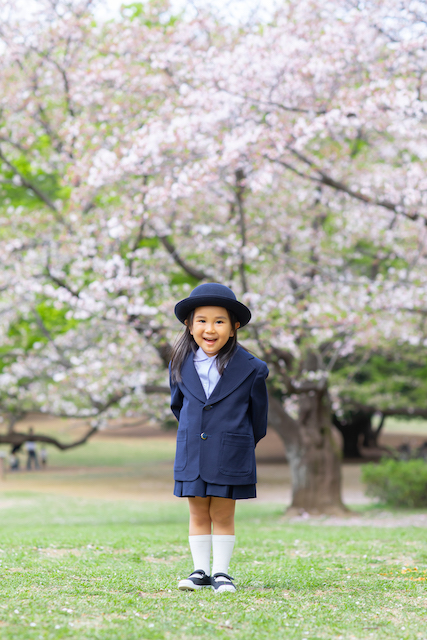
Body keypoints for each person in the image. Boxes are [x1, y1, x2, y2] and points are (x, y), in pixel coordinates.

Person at [169, 283, 269, 594]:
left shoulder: (253, 369)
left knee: (223, 512)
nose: (209, 329)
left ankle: (221, 573)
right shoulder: (179, 364)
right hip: (192, 451)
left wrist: (236, 442)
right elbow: (177, 406)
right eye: (201, 320)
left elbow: (259, 418)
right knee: (197, 511)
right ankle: (199, 571)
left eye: (219, 321)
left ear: (234, 326)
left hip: (232, 451)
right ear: (189, 324)